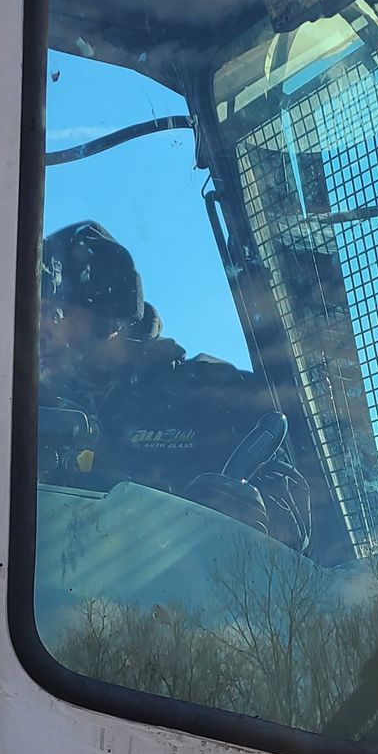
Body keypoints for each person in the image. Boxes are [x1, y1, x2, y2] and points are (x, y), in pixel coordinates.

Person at [38, 220, 310, 549]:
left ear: (110, 315)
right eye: (30, 314)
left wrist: (250, 520)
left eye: (54, 312)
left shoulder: (217, 395)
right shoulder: (36, 409)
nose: (39, 331)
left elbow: (296, 539)